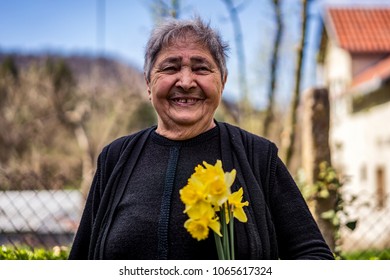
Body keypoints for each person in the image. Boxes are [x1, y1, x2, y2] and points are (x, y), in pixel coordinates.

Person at [68, 17, 334, 260]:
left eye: (201, 68)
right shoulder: (115, 158)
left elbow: (314, 256)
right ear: (148, 83)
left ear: (223, 81)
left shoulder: (258, 156)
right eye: (170, 68)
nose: (185, 81)